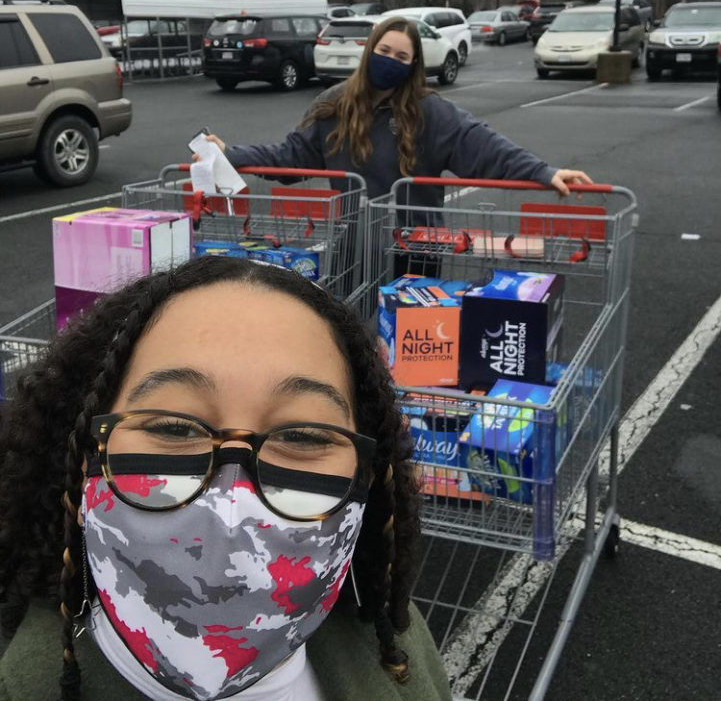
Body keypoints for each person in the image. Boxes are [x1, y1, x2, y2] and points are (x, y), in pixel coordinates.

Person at [0, 257, 451, 701]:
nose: (231, 501)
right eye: (172, 427)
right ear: (84, 456)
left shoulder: (395, 634)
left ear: (368, 476)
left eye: (302, 435)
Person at [197, 15, 592, 206]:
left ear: (413, 64)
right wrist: (231, 154)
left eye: (401, 56)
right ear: (370, 51)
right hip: (355, 245)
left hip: (416, 248)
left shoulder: (429, 112)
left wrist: (543, 172)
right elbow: (291, 156)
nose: (390, 60)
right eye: (384, 51)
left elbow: (484, 146)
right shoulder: (335, 104)